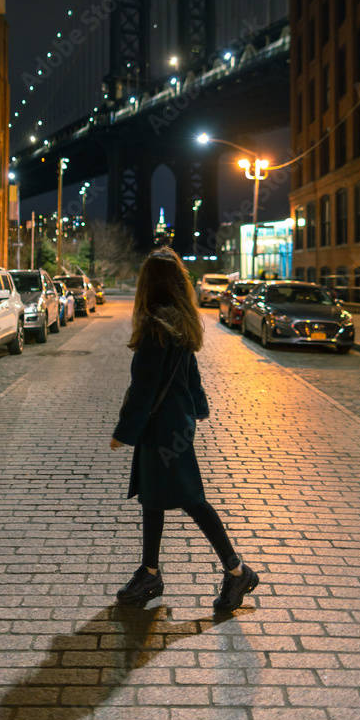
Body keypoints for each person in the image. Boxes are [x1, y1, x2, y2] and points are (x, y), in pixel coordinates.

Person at [110, 246, 259, 611]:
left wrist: (123, 432)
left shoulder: (155, 329)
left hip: (160, 429)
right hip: (175, 424)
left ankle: (238, 572)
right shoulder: (177, 321)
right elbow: (188, 373)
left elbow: (144, 390)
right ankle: (150, 571)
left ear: (149, 285)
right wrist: (199, 406)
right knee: (154, 497)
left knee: (191, 498)